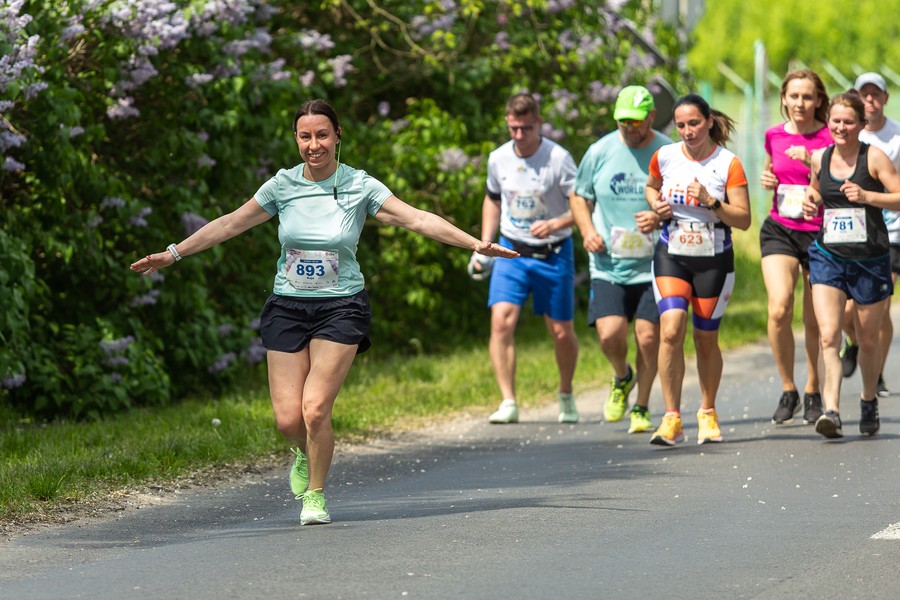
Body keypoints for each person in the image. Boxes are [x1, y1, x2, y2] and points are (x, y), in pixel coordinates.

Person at [130, 99, 517, 525]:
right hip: (287, 306)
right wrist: (173, 253)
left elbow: (418, 219)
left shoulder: (360, 185)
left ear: (337, 136)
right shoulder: (282, 185)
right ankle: (304, 451)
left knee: (314, 409)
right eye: (305, 136)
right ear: (297, 140)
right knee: (287, 420)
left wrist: (474, 243)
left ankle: (315, 495)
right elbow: (228, 224)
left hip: (341, 306)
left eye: (322, 135)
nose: (314, 144)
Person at [644, 94, 752, 446]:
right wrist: (656, 205)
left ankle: (707, 411)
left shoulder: (727, 163)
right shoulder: (665, 156)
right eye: (681, 125)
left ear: (708, 122)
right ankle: (671, 418)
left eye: (694, 123)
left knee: (705, 339)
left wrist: (712, 201)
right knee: (671, 329)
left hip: (713, 258)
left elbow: (744, 219)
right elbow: (651, 187)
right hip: (672, 254)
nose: (688, 131)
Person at [473, 93, 580, 425]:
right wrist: (485, 243)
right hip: (511, 251)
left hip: (553, 252)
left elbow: (583, 206)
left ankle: (565, 393)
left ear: (539, 124)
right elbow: (493, 199)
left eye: (526, 128)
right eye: (513, 128)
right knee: (501, 322)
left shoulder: (559, 158)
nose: (519, 135)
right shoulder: (498, 158)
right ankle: (508, 401)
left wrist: (556, 223)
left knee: (560, 331)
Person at [569, 85, 670, 433]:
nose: (628, 127)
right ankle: (622, 375)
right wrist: (587, 231)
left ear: (652, 117)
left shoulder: (667, 152)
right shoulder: (600, 151)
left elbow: (683, 202)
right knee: (610, 334)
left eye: (636, 121)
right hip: (608, 263)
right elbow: (579, 196)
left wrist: (658, 217)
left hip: (656, 262)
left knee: (648, 336)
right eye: (622, 120)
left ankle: (641, 406)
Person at [803, 91, 900, 439]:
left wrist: (868, 196)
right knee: (829, 335)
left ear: (861, 124)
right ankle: (831, 410)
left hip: (870, 259)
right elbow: (817, 189)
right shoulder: (820, 157)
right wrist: (812, 201)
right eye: (836, 121)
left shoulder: (873, 157)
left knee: (868, 339)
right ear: (828, 122)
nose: (841, 127)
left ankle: (868, 399)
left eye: (848, 121)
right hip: (828, 256)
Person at [759, 70, 832, 426]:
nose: (800, 103)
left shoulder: (831, 135)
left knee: (814, 318)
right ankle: (788, 389)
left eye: (807, 97)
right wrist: (766, 177)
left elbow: (843, 181)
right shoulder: (773, 134)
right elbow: (771, 170)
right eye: (794, 96)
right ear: (784, 99)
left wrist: (812, 161)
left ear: (818, 100)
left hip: (821, 232)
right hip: (781, 229)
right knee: (778, 308)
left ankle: (812, 388)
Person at [838, 72, 900, 397]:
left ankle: (875, 374)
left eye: (876, 94)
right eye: (865, 94)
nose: (871, 99)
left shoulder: (897, 136)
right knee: (849, 312)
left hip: (891, 232)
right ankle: (855, 343)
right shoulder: (845, 134)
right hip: (851, 231)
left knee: (880, 306)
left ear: (886, 98)